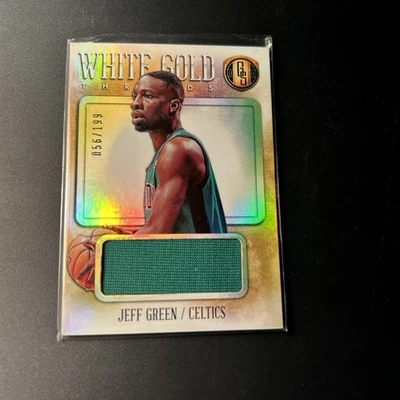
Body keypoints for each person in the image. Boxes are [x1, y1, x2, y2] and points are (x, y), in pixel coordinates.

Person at [131, 70, 227, 234]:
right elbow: (159, 230)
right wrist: (127, 236)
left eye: (147, 96)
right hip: (182, 250)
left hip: (198, 251)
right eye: (135, 96)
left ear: (173, 106)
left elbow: (158, 232)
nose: (135, 104)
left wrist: (107, 243)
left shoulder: (177, 150)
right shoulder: (166, 151)